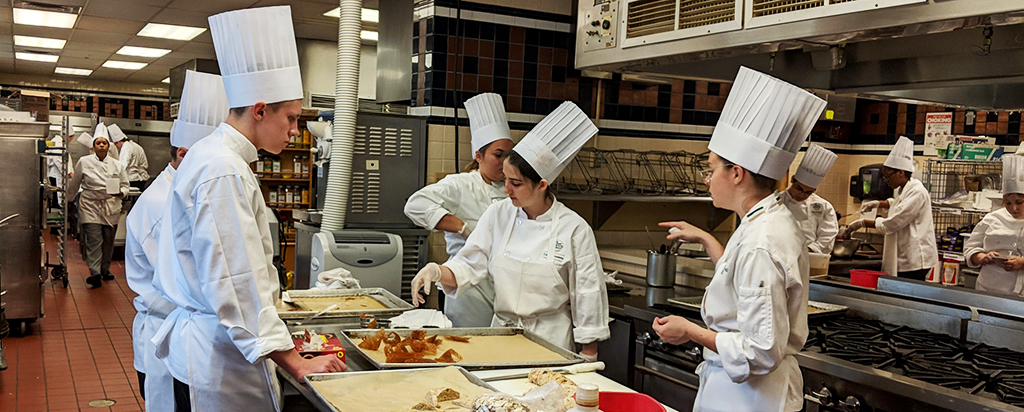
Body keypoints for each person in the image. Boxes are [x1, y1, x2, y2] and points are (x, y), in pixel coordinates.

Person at [150, 7, 345, 412]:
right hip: (219, 362)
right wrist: (295, 362)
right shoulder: (222, 169)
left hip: (218, 349)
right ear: (260, 110)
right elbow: (235, 278)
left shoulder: (218, 157)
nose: (296, 130)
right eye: (291, 118)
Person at [652, 67, 825, 412]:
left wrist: (689, 330)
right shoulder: (768, 219)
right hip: (740, 393)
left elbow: (758, 352)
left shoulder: (762, 238)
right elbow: (740, 276)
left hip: (751, 398)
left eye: (710, 169)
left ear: (737, 173)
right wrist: (705, 238)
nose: (706, 179)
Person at [410, 101, 609, 358]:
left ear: (541, 185)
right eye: (505, 180)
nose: (506, 191)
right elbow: (470, 264)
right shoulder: (499, 214)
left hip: (550, 345)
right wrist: (437, 271)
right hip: (501, 340)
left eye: (515, 183)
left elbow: (587, 294)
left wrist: (588, 356)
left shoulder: (574, 229)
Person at [126, 70, 228, 412]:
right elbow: (182, 284)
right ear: (184, 154)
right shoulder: (161, 204)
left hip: (186, 335)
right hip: (168, 337)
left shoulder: (184, 193)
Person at [404, 92, 512, 327]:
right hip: (466, 291)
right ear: (478, 155)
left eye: (509, 156)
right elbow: (415, 205)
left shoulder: (513, 189)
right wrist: (462, 228)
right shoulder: (463, 184)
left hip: (506, 290)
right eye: (498, 155)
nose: (505, 162)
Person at [848, 136, 938, 280]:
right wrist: (879, 203)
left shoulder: (917, 191)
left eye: (887, 176)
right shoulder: (902, 188)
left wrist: (862, 223)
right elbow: (898, 202)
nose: (885, 180)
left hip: (915, 259)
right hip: (904, 254)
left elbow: (894, 222)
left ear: (901, 172)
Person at [68, 123, 129, 288]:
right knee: (94, 240)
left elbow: (125, 185)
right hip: (90, 205)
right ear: (93, 146)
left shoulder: (117, 165)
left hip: (111, 206)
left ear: (108, 146)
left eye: (104, 143)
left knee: (108, 241)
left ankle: (105, 269)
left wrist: (121, 193)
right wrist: (69, 200)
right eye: (98, 143)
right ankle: (94, 273)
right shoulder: (84, 161)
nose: (101, 145)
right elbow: (75, 182)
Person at [964, 156, 1024, 295]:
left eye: (1019, 202)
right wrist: (981, 257)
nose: (1013, 208)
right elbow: (970, 248)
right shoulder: (993, 218)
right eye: (1008, 203)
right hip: (990, 289)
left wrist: (1022, 263)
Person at [782, 144, 839, 254]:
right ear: (793, 179)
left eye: (808, 192)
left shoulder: (824, 207)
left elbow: (828, 235)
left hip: (811, 258)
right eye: (799, 189)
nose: (802, 194)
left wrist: (809, 250)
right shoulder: (776, 202)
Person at [110, 124, 150, 189]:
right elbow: (145, 163)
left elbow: (122, 166)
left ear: (118, 141)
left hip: (132, 180)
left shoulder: (126, 147)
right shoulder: (137, 146)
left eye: (115, 144)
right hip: (142, 179)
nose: (116, 147)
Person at [47, 132, 74, 208]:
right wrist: (68, 171)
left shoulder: (59, 142)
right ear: (69, 137)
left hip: (57, 174)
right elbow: (58, 159)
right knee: (57, 197)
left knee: (58, 196)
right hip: (56, 174)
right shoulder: (57, 143)